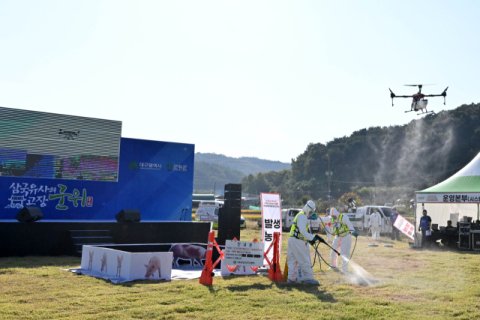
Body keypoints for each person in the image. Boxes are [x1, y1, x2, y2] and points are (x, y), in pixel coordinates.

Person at [287, 200, 323, 285]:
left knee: (293, 260)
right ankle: (309, 279)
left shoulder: (300, 215)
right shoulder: (302, 216)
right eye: (311, 211)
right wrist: (312, 238)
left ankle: (291, 279)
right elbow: (303, 231)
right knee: (305, 260)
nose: (311, 213)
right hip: (298, 241)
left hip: (292, 239)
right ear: (309, 209)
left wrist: (309, 238)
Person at [320, 208, 358, 272]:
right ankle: (333, 266)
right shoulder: (331, 218)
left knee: (344, 254)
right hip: (337, 237)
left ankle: (344, 270)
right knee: (333, 252)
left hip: (346, 237)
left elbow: (350, 225)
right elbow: (324, 219)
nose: (333, 218)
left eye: (334, 216)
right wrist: (316, 217)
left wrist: (352, 232)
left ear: (337, 214)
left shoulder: (344, 217)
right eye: (332, 216)